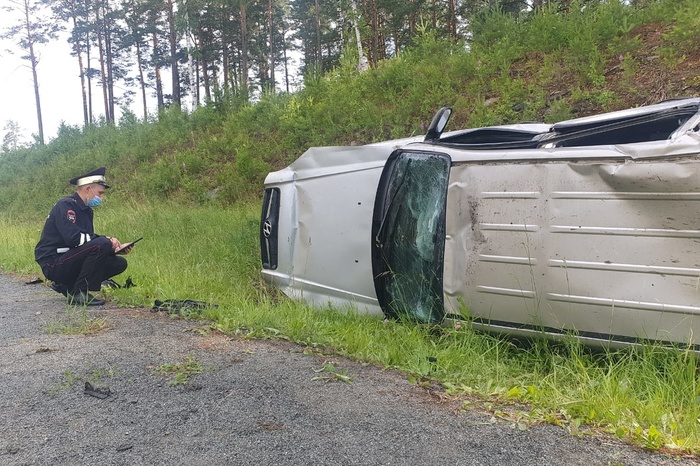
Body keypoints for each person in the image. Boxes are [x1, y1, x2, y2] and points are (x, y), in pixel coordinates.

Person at [34, 167, 132, 306]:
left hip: (68, 258)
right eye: (100, 193)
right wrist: (107, 241)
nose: (101, 198)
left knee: (118, 263)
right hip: (53, 262)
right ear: (87, 189)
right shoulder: (66, 205)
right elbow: (74, 239)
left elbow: (87, 244)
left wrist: (113, 249)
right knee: (102, 243)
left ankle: (67, 285)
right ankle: (78, 293)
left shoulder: (86, 211)